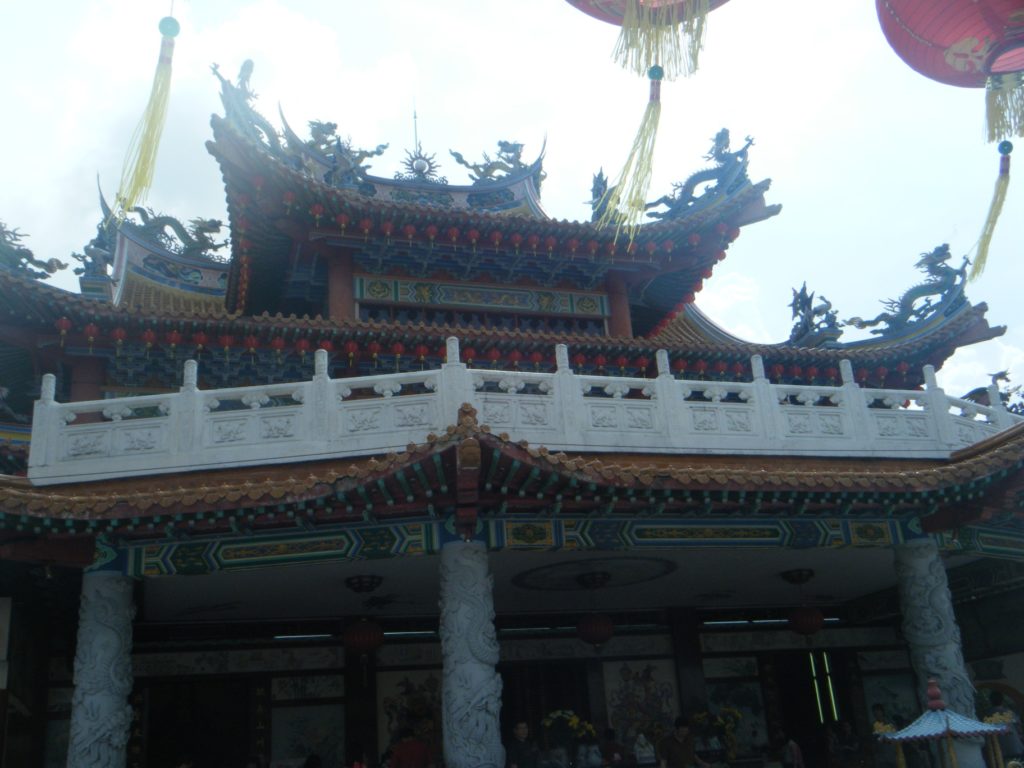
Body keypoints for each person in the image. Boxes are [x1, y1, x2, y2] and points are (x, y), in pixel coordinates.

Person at [991, 691, 1024, 760]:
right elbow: (1019, 728)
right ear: (1002, 700)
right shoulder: (1010, 713)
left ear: (991, 700)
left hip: (1000, 751)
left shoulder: (987, 714)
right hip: (1016, 747)